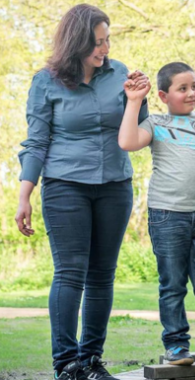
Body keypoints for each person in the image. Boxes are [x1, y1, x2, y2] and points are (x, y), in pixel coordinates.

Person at [14, 4, 149, 380]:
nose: (104, 49)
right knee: (71, 273)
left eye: (107, 41)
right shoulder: (46, 81)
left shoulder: (119, 73)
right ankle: (66, 364)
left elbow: (138, 128)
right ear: (76, 42)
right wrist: (25, 194)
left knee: (103, 275)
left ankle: (90, 361)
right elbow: (36, 141)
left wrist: (139, 95)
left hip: (115, 186)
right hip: (64, 186)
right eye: (97, 43)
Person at [118, 62, 195, 380]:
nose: (192, 93)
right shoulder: (155, 122)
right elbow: (127, 141)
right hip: (167, 216)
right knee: (172, 284)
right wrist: (133, 101)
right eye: (183, 88)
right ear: (164, 95)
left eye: (194, 86)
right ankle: (177, 345)